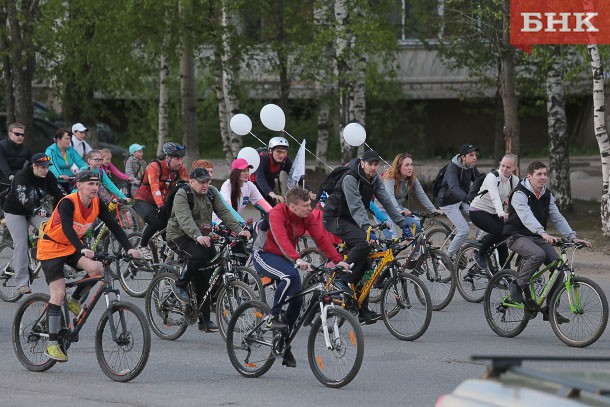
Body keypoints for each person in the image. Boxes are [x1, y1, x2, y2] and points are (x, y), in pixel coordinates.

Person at [36, 170, 141, 362]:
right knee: (58, 293)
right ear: (79, 185)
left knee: (97, 269)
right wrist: (83, 248)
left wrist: (129, 248)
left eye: (97, 184)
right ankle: (51, 344)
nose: (95, 188)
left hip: (71, 247)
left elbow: (114, 226)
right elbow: (67, 228)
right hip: (51, 248)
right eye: (90, 184)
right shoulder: (68, 202)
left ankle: (74, 301)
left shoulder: (96, 203)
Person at [252, 187, 349, 367]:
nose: (310, 208)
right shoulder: (277, 213)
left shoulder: (307, 217)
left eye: (309, 204)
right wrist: (297, 258)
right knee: (289, 277)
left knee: (298, 300)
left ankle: (282, 342)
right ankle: (273, 317)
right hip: (264, 254)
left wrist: (338, 260)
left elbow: (321, 239)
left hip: (285, 257)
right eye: (305, 205)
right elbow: (281, 239)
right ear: (291, 207)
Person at [323, 150, 411, 324]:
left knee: (368, 265)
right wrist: (367, 228)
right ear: (362, 163)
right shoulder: (350, 178)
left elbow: (386, 201)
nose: (373, 168)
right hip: (336, 217)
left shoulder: (375, 178)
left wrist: (402, 224)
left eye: (376, 164)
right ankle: (341, 278)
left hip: (352, 220)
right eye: (370, 164)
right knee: (365, 242)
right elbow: (356, 206)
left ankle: (362, 309)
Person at [503, 161, 591, 322]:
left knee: (559, 266)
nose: (543, 177)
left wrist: (572, 236)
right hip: (516, 236)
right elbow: (526, 217)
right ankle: (517, 284)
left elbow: (557, 217)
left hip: (537, 236)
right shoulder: (520, 193)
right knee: (538, 254)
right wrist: (543, 233)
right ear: (529, 176)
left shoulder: (546, 194)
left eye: (545, 174)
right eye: (539, 174)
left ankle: (550, 309)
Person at [167, 167, 250, 332]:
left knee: (209, 269)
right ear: (191, 182)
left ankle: (204, 320)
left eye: (207, 181)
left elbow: (224, 212)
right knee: (197, 258)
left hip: (203, 237)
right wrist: (197, 236)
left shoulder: (211, 192)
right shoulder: (183, 194)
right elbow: (185, 219)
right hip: (179, 235)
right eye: (201, 182)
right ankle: (180, 284)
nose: (205, 185)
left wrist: (240, 230)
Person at [2, 153, 65, 293]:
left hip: (34, 210)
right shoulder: (22, 176)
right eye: (42, 167)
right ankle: (22, 283)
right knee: (21, 243)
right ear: (34, 166)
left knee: (52, 229)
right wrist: (36, 209)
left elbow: (59, 192)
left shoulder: (48, 176)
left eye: (47, 167)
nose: (46, 170)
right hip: (14, 210)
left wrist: (69, 204)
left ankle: (38, 250)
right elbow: (23, 198)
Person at [134, 142, 189, 253]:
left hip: (163, 202)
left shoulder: (180, 169)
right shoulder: (154, 167)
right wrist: (161, 206)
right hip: (145, 200)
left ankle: (164, 260)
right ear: (167, 157)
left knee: (170, 229)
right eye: (177, 159)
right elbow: (155, 188)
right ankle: (143, 246)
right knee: (156, 221)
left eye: (181, 159)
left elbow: (188, 186)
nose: (180, 162)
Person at [469, 154, 519, 269]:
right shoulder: (492, 177)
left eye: (508, 167)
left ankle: (505, 274)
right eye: (503, 166)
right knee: (497, 231)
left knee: (503, 241)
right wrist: (501, 213)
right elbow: (495, 197)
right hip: (478, 210)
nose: (505, 169)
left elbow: (521, 196)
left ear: (514, 168)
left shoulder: (514, 180)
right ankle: (480, 254)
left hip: (493, 213)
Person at [378, 152, 443, 239]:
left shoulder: (412, 178)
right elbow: (390, 196)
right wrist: (399, 211)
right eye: (407, 165)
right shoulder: (390, 177)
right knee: (392, 238)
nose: (410, 168)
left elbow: (421, 195)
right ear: (399, 166)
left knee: (418, 226)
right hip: (382, 209)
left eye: (411, 165)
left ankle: (414, 252)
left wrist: (433, 210)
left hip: (398, 209)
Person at [437, 144, 480, 260]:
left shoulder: (470, 166)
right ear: (463, 157)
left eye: (475, 155)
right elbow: (454, 188)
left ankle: (473, 253)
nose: (475, 157)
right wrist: (467, 198)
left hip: (461, 200)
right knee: (464, 230)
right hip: (448, 202)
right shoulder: (452, 168)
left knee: (483, 219)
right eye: (471, 155)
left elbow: (480, 181)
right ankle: (446, 257)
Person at [251, 137, 314, 205]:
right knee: (267, 209)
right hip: (253, 185)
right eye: (278, 152)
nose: (281, 155)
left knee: (274, 209)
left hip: (269, 182)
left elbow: (296, 176)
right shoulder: (262, 158)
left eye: (284, 152)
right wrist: (272, 194)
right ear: (270, 151)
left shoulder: (285, 160)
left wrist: (309, 191)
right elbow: (260, 178)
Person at [213, 158, 272, 225]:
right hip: (219, 222)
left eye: (247, 170)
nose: (247, 173)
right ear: (236, 172)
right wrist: (242, 223)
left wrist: (275, 215)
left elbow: (262, 203)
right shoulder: (227, 185)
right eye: (243, 171)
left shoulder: (250, 185)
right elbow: (228, 208)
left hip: (235, 223)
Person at [46, 128, 88, 194]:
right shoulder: (50, 151)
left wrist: (81, 173)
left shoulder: (70, 149)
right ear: (58, 139)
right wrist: (59, 176)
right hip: (55, 181)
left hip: (70, 180)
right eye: (66, 139)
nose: (69, 141)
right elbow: (52, 165)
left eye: (69, 138)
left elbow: (82, 164)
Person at [0, 122, 31, 190]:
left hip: (19, 176)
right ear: (10, 134)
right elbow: (3, 166)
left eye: (22, 135)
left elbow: (33, 162)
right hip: (3, 178)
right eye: (17, 134)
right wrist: (10, 176)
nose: (20, 137)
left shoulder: (25, 148)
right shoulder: (1, 146)